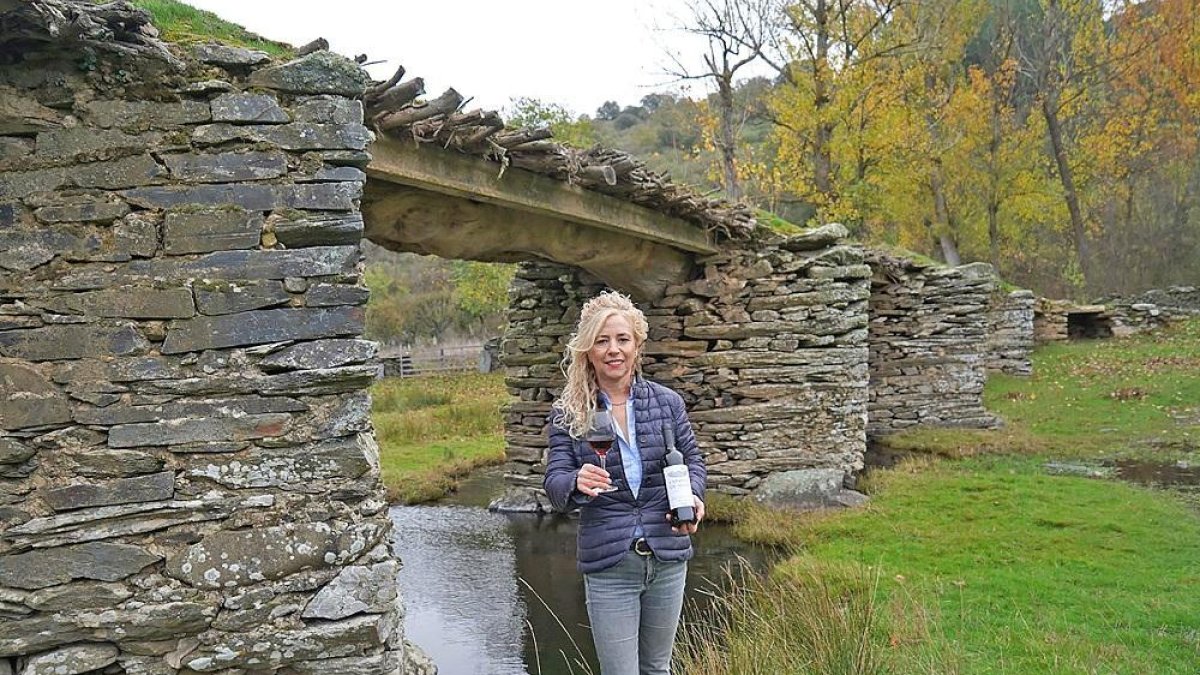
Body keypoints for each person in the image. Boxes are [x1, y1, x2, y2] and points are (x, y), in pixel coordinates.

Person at [544, 290, 707, 675]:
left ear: (637, 346)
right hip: (609, 565)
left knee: (658, 670)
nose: (613, 349)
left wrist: (695, 497)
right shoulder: (568, 413)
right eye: (602, 340)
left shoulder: (668, 403)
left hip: (667, 554)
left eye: (622, 339)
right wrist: (574, 481)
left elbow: (694, 463)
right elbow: (554, 483)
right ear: (587, 350)